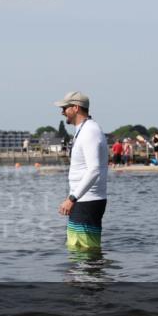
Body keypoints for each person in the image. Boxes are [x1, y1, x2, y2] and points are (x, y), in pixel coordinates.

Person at [55, 91, 109, 251]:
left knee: (85, 253)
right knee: (76, 250)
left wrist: (72, 199)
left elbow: (94, 170)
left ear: (76, 108)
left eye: (65, 107)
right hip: (82, 200)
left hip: (87, 201)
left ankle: (90, 276)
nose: (62, 111)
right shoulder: (83, 130)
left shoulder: (89, 131)